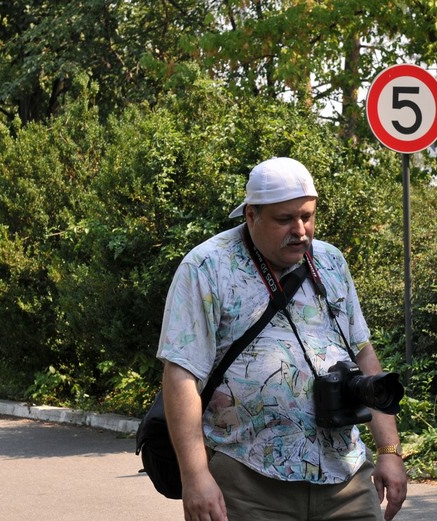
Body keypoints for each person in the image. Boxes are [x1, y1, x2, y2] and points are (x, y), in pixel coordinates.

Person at [157, 157, 407, 521]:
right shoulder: (208, 267)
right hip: (248, 482)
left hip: (344, 478)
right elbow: (181, 373)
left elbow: (363, 354)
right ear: (251, 215)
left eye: (307, 216)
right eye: (284, 219)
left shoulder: (331, 262)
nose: (300, 230)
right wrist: (195, 476)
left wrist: (389, 451)